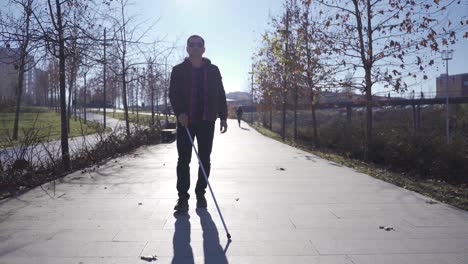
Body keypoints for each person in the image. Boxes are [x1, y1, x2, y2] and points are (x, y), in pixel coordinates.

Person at [169, 35, 228, 211]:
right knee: (183, 160)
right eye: (191, 45)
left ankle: (200, 193)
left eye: (198, 45)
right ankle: (182, 198)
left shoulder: (213, 70)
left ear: (204, 49)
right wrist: (180, 113)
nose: (195, 48)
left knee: (204, 159)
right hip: (186, 122)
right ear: (187, 48)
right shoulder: (178, 70)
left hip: (207, 120)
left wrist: (223, 116)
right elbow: (173, 94)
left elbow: (220, 94)